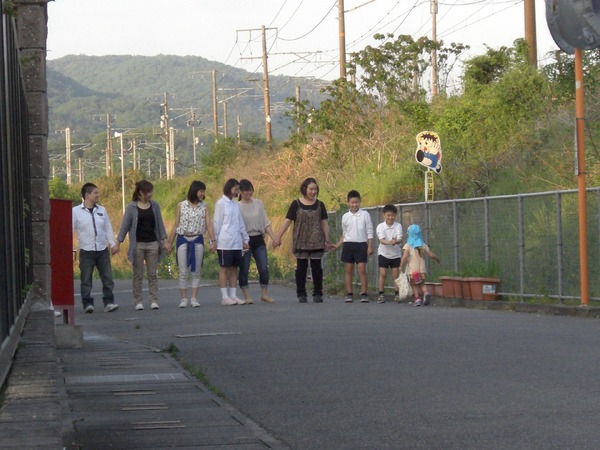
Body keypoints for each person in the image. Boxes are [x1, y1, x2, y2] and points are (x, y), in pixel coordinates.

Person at [273, 177, 330, 303]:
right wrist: (278, 237)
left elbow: (324, 223)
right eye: (311, 189)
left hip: (317, 240)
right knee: (301, 268)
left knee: (316, 268)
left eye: (315, 189)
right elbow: (287, 221)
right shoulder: (296, 204)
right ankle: (301, 293)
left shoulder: (320, 205)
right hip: (301, 240)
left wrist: (327, 239)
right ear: (305, 189)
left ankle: (318, 293)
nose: (313, 192)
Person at [117, 180, 170, 311]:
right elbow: (124, 227)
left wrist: (165, 241)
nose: (151, 194)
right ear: (141, 193)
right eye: (149, 192)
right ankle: (138, 301)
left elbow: (160, 225)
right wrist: (118, 243)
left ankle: (154, 300)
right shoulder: (131, 207)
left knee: (152, 274)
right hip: (138, 245)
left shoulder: (155, 206)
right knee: (138, 274)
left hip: (153, 243)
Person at [167, 180, 216, 308]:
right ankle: (183, 299)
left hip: (198, 239)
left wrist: (213, 240)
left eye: (203, 191)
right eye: (201, 191)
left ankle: (194, 298)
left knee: (196, 270)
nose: (202, 194)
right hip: (183, 238)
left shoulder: (204, 206)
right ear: (194, 191)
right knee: (183, 270)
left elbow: (209, 223)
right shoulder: (181, 205)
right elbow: (176, 224)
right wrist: (169, 242)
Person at [72, 182, 119, 313]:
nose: (98, 195)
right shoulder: (75, 211)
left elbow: (107, 228)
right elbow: (70, 229)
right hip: (86, 251)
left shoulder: (102, 210)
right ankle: (87, 303)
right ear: (87, 195)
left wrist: (113, 243)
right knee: (86, 279)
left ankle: (109, 302)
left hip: (102, 250)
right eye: (95, 193)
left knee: (107, 277)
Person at [237, 179, 277, 304]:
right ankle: (247, 295)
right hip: (244, 240)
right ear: (240, 192)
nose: (248, 193)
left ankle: (264, 294)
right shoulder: (236, 206)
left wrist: (274, 237)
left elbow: (266, 222)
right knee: (244, 269)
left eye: (250, 190)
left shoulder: (259, 204)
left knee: (263, 268)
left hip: (259, 238)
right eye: (245, 190)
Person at [332, 190, 374, 303]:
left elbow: (370, 231)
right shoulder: (345, 216)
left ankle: (364, 293)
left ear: (360, 202)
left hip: (361, 244)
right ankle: (349, 293)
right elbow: (345, 234)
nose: (354, 205)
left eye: (356, 202)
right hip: (348, 245)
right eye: (352, 202)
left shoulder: (365, 215)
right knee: (348, 270)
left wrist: (370, 246)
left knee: (361, 269)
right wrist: (337, 245)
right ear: (348, 203)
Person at [213, 178, 249, 306]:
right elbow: (217, 222)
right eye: (235, 189)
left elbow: (240, 223)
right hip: (224, 241)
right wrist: (214, 240)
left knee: (234, 268)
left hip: (236, 242)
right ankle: (224, 297)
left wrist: (245, 239)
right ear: (229, 189)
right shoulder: (220, 204)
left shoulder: (235, 205)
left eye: (238, 190)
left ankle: (233, 295)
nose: (237, 192)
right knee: (224, 268)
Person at [400, 224, 440, 306]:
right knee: (421, 283)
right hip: (422, 269)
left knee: (413, 284)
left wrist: (400, 265)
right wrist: (437, 259)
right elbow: (431, 255)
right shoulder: (422, 245)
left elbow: (405, 256)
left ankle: (417, 299)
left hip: (412, 270)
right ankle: (426, 292)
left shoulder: (408, 245)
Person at [376, 204, 404, 303]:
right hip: (383, 253)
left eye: (392, 215)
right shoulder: (380, 226)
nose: (390, 217)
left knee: (395, 275)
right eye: (388, 215)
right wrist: (390, 242)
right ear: (384, 215)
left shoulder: (398, 226)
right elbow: (381, 240)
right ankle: (381, 294)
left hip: (395, 254)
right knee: (382, 274)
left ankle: (397, 294)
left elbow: (400, 239)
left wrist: (395, 242)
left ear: (395, 215)